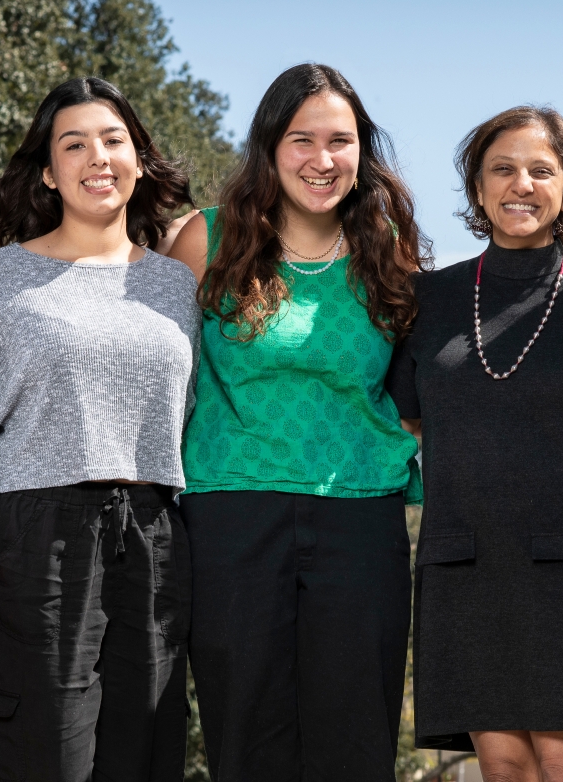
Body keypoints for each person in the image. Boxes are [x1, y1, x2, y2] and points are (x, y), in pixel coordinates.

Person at [387, 106, 563, 782]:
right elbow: (412, 425)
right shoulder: (428, 301)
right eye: (503, 169)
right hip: (468, 557)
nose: (522, 184)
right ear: (478, 188)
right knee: (504, 762)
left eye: (542, 170)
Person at [166, 63, 428, 781]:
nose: (322, 160)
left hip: (361, 521)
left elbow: (421, 393)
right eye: (301, 139)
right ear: (269, 148)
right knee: (246, 733)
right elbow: (156, 376)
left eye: (340, 141)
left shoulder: (392, 258)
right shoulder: (204, 242)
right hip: (230, 513)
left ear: (361, 152)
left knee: (356, 741)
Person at [0, 77, 197, 781]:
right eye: (74, 144)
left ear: (139, 158)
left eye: (113, 139)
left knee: (146, 750)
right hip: (38, 530)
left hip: (156, 530)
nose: (98, 156)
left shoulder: (174, 283)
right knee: (44, 753)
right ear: (47, 171)